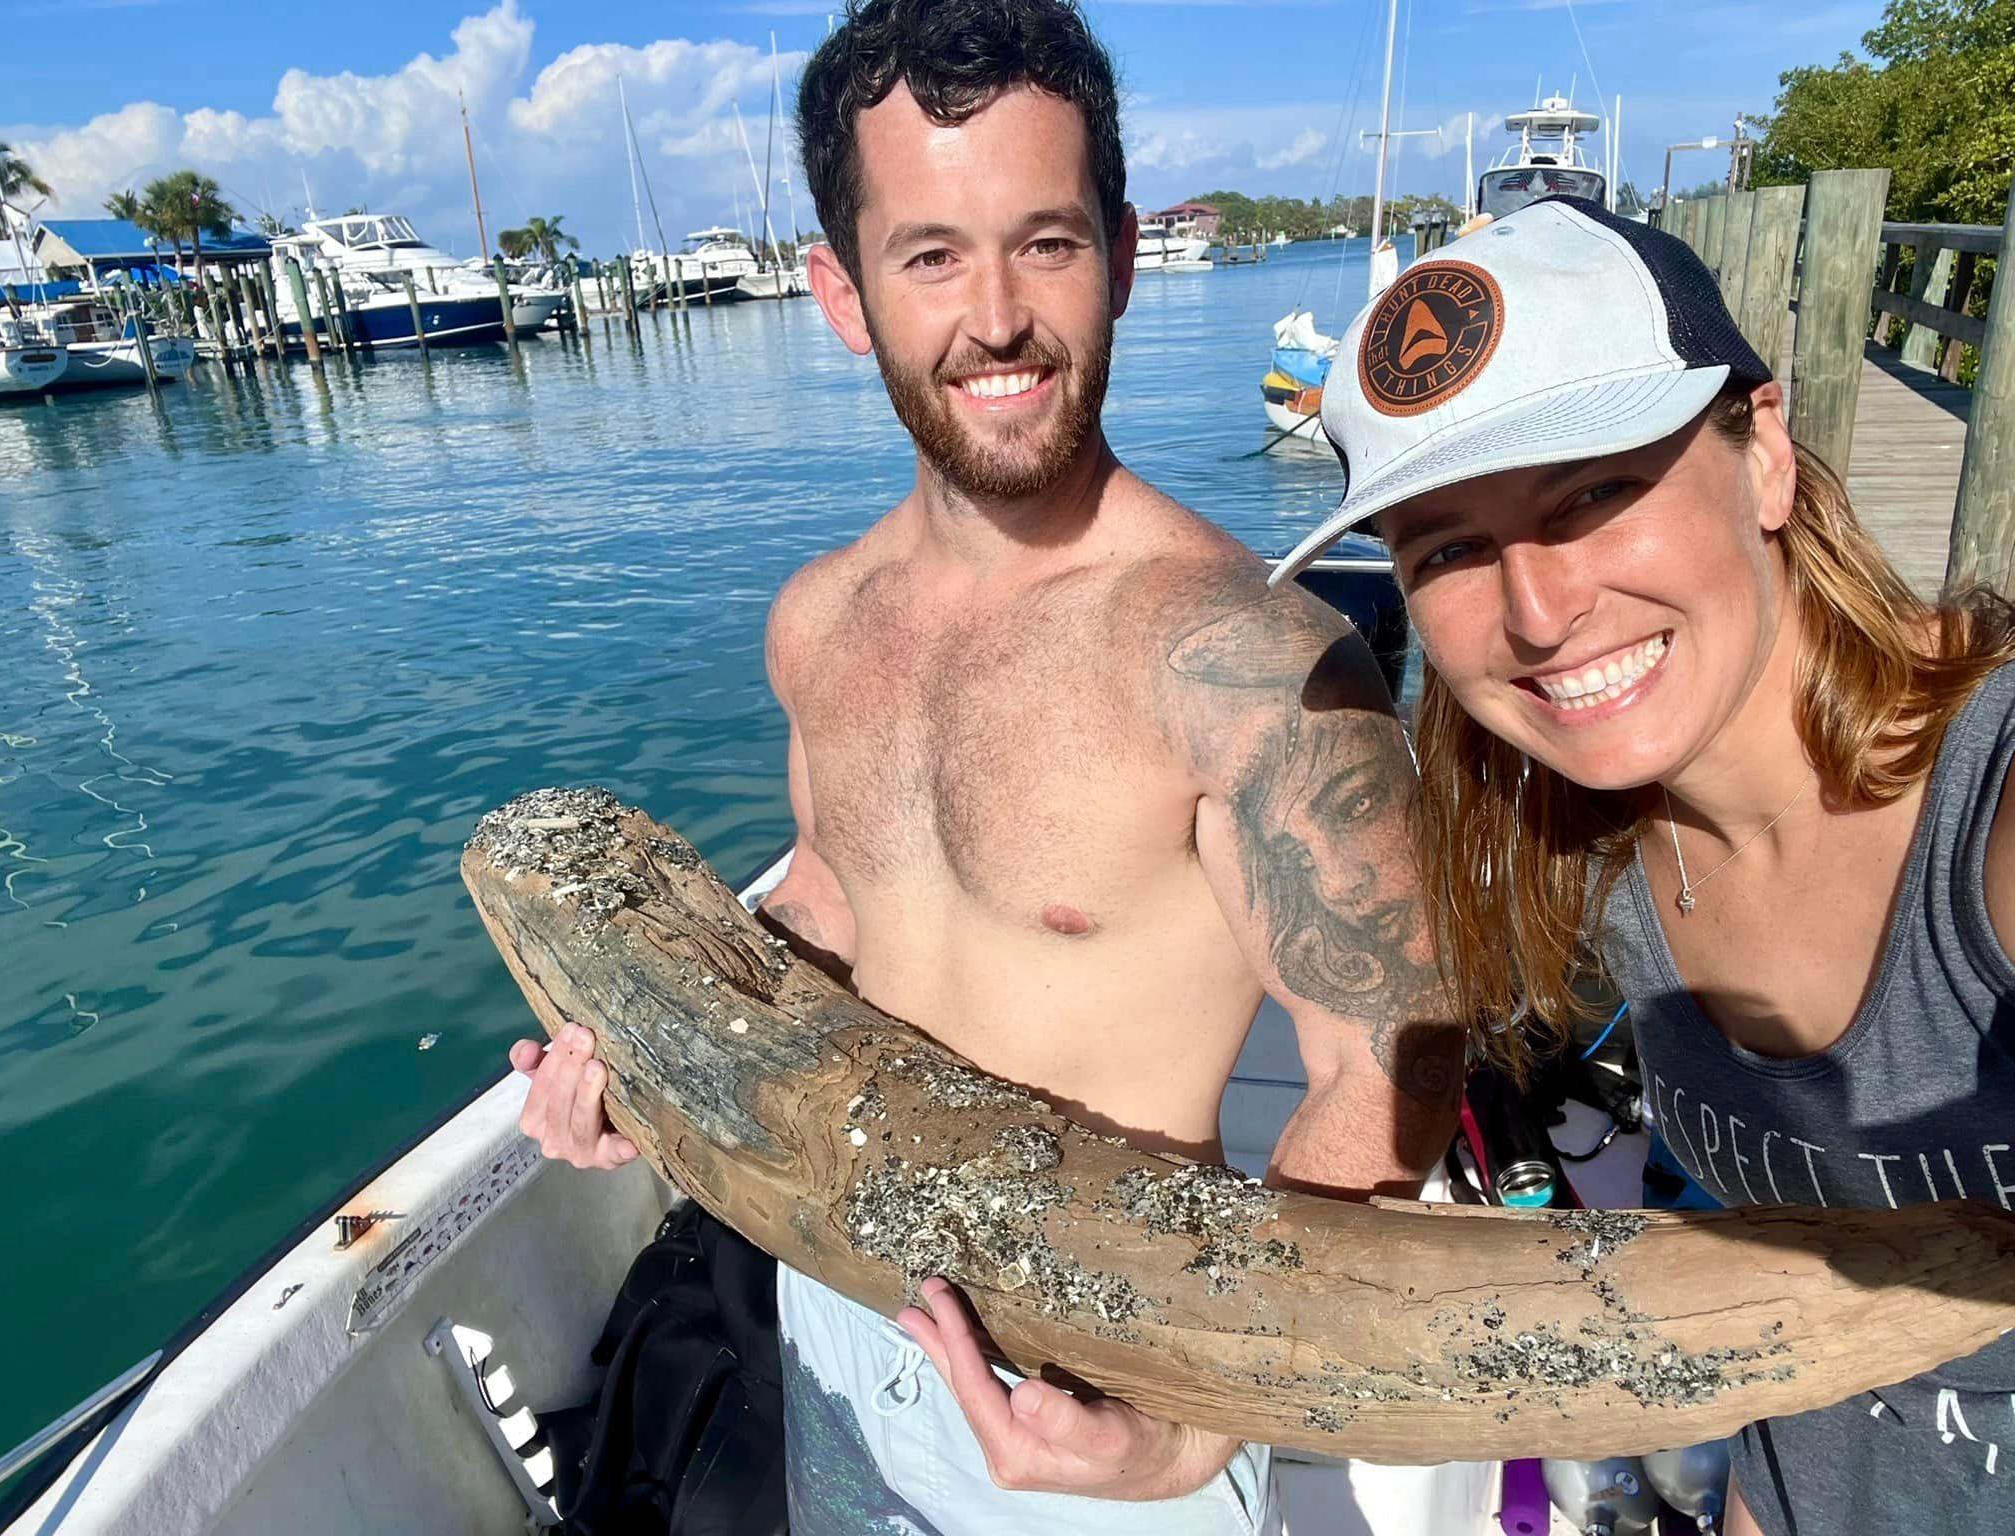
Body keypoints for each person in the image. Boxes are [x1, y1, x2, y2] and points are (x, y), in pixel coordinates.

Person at [510, 1, 1463, 1530]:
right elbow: (834, 903)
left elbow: (1386, 1064)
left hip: (1105, 1395)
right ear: (842, 292)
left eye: (1049, 242)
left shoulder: (1250, 663)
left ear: (1126, 257)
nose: (999, 317)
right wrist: (644, 1058)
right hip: (847, 1322)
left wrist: (1203, 1409)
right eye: (932, 254)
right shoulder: (821, 620)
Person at [1272, 194, 2015, 1534]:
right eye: (1447, 547)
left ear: (1768, 453)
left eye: (1598, 493)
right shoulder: (1600, 859)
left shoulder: (1989, 825)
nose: (1541, 613)